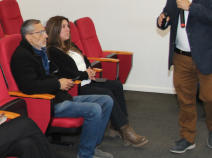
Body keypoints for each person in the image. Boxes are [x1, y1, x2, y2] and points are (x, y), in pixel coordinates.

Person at [11, 19, 113, 158]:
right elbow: (29, 87)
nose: (46, 35)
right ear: (28, 37)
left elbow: (53, 74)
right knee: (94, 109)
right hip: (48, 103)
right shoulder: (22, 56)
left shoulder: (40, 51)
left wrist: (61, 82)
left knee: (106, 100)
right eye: (41, 32)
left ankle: (92, 147)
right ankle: (85, 156)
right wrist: (58, 84)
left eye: (44, 31)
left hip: (60, 97)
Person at [157, 0, 212, 153]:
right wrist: (162, 20)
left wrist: (191, 7)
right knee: (185, 100)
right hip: (181, 57)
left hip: (207, 56)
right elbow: (167, 15)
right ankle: (187, 137)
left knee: (210, 97)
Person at [46, 16, 148, 147]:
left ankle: (116, 126)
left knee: (116, 85)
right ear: (54, 30)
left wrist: (91, 70)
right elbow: (66, 73)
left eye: (68, 26)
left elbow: (85, 60)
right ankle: (125, 131)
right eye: (63, 27)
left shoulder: (70, 45)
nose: (68, 30)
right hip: (76, 87)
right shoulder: (53, 51)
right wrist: (85, 74)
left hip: (87, 80)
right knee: (107, 94)